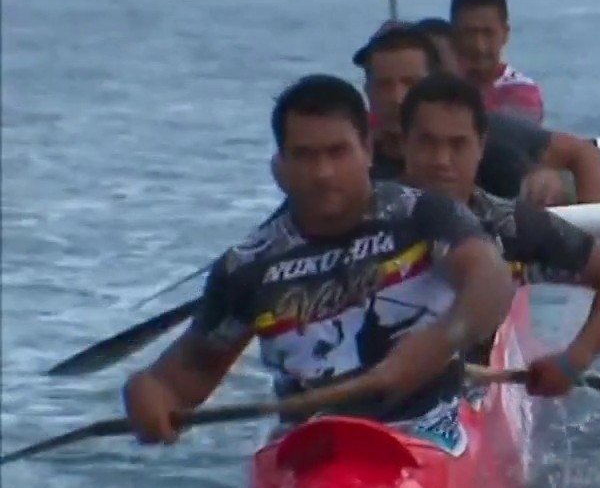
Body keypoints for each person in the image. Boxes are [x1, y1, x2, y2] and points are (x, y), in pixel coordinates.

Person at [121, 74, 517, 444]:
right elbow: (190, 372)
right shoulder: (246, 268)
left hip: (429, 433)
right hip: (312, 451)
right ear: (281, 166)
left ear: (368, 150)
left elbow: (491, 280)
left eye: (337, 152)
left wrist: (438, 342)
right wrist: (150, 393)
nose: (324, 172)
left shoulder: (424, 216)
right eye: (305, 156)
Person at [399, 72, 600, 395]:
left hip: (460, 404)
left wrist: (573, 361)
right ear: (403, 144)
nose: (442, 161)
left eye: (457, 145)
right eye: (427, 144)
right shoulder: (362, 213)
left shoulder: (510, 225)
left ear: (480, 147)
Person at [358, 25, 600, 205]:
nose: (396, 97)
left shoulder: (487, 135)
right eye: (384, 85)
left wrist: (546, 182)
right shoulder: (352, 158)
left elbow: (582, 153)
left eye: (409, 83)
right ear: (367, 89)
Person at [449, 0, 544, 125]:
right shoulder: (436, 82)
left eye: (488, 33)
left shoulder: (521, 91)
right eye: (469, 34)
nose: (479, 46)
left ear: (505, 34)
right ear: (453, 35)